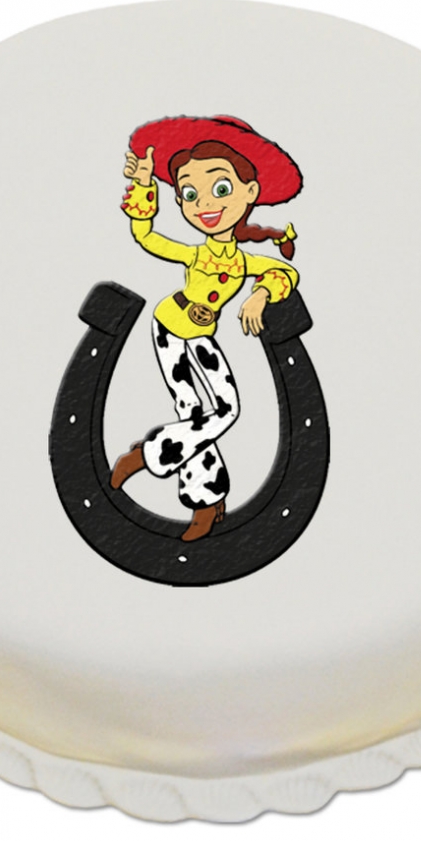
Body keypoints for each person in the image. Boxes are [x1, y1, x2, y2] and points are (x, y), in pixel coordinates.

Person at [110, 115, 303, 541]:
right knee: (212, 411)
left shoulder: (242, 261)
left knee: (206, 414)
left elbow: (282, 272)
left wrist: (259, 294)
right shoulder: (195, 255)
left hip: (199, 336)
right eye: (189, 194)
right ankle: (186, 487)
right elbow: (146, 236)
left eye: (220, 189)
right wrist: (143, 185)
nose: (203, 205)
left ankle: (188, 487)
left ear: (250, 192)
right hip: (170, 328)